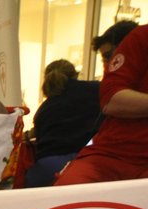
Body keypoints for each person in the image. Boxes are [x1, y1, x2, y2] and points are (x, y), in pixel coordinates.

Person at [57, 22, 148, 186]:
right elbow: (112, 99)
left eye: (108, 56)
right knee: (66, 194)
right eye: (106, 57)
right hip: (114, 154)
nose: (107, 64)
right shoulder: (142, 37)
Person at [25, 59, 101, 188]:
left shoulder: (44, 108)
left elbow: (40, 137)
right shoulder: (96, 90)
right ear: (76, 75)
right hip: (85, 159)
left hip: (48, 166)